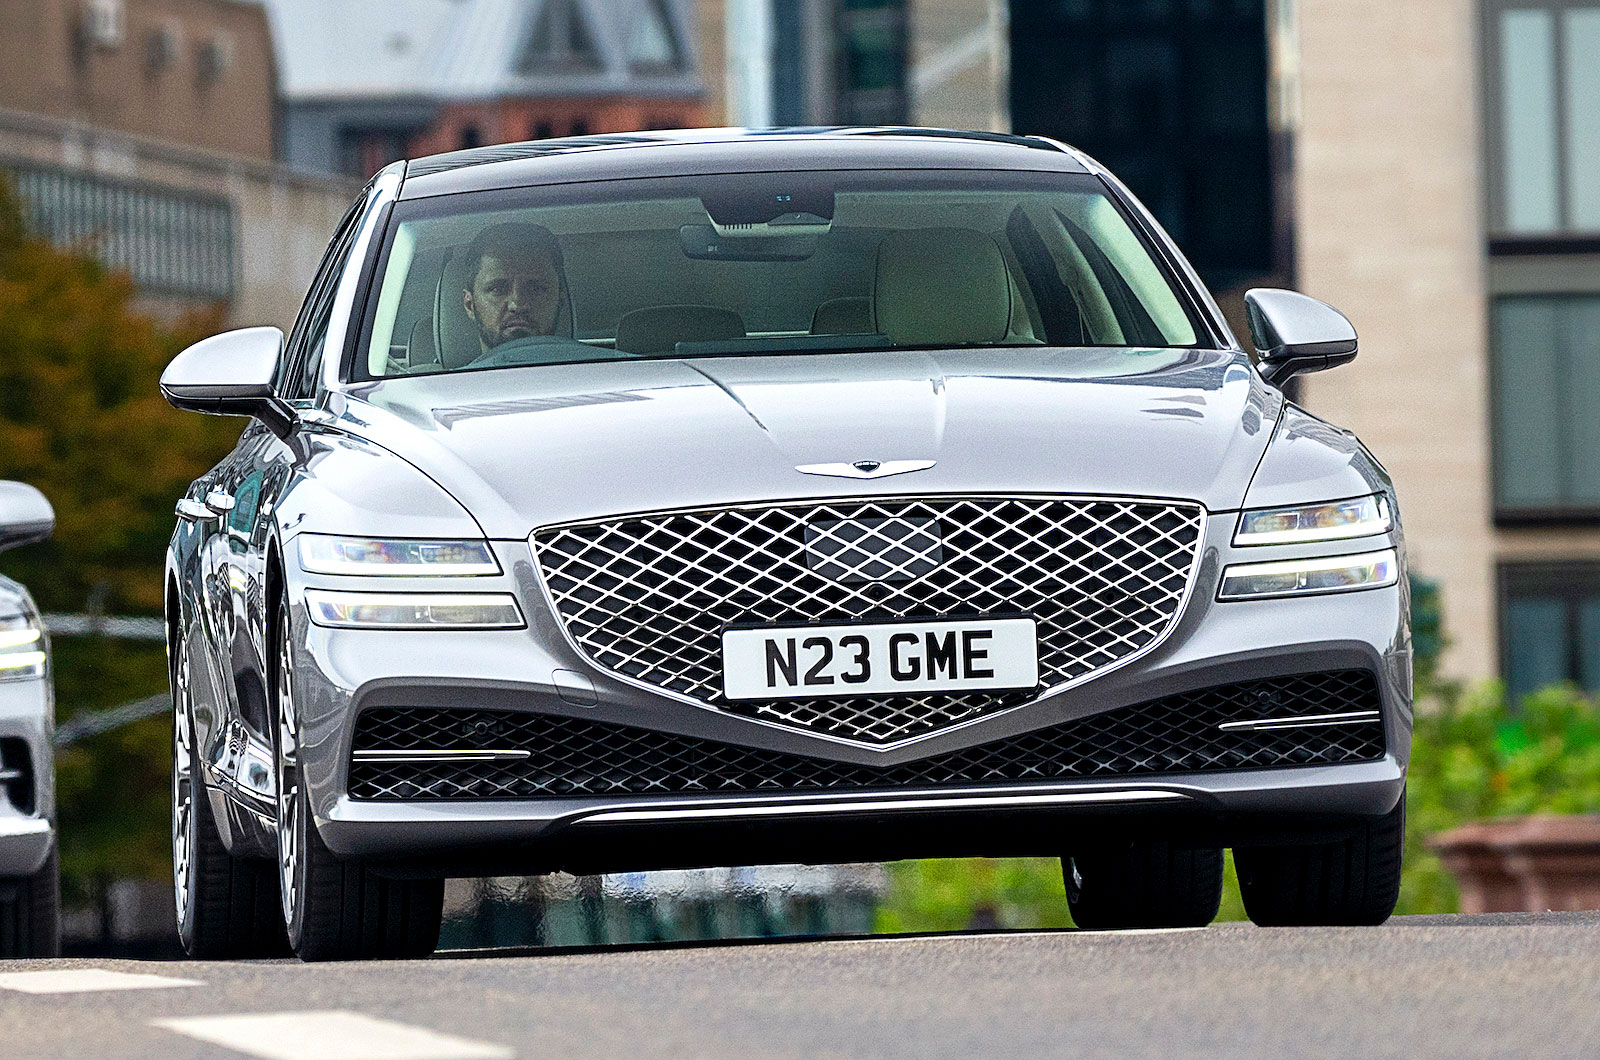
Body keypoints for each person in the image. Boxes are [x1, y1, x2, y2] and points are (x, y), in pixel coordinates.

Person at [460, 222, 568, 355]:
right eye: (497, 289)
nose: (517, 305)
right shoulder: (436, 377)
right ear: (470, 305)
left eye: (536, 289)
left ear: (560, 300)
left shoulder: (597, 372)